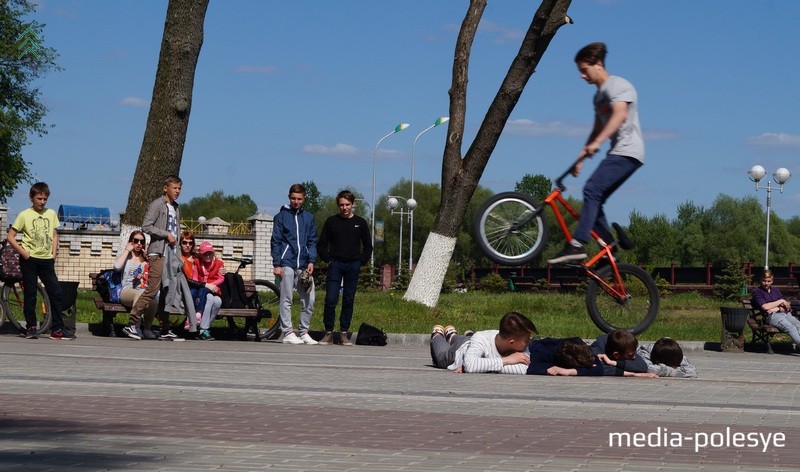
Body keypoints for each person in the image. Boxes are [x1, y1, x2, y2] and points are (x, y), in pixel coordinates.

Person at [549, 42, 645, 264]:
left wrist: (598, 143)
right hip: (618, 151)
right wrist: (581, 158)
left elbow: (619, 115)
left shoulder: (618, 85)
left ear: (598, 64)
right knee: (595, 199)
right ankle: (609, 248)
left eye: (584, 70)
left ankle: (577, 244)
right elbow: (596, 129)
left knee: (591, 190)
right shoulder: (598, 97)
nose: (582, 76)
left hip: (629, 151)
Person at [6, 182, 71, 340]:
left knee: (55, 293)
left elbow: (55, 235)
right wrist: (24, 253)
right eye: (39, 198)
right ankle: (31, 327)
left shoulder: (51, 214)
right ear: (31, 198)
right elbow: (10, 236)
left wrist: (54, 254)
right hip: (30, 259)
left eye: (45, 199)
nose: (42, 202)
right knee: (31, 294)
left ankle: (57, 328)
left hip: (47, 260)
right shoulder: (24, 215)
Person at [123, 175, 182, 341]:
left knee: (166, 291)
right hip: (158, 253)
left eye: (179, 189)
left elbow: (176, 232)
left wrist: (177, 253)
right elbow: (146, 226)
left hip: (171, 254)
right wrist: (165, 235)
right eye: (174, 188)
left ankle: (163, 328)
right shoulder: (157, 204)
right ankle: (133, 324)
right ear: (165, 188)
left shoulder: (176, 207)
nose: (177, 192)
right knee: (152, 289)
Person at [317, 190, 373, 346]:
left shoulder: (360, 222)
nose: (344, 207)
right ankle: (328, 333)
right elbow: (321, 245)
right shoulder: (331, 222)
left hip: (352, 265)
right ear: (338, 205)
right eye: (341, 204)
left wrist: (360, 262)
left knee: (348, 299)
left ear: (353, 204)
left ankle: (343, 334)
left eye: (347, 204)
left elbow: (368, 246)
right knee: (331, 299)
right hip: (335, 265)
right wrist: (329, 261)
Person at [271, 183, 319, 345]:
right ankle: (288, 332)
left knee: (309, 298)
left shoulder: (309, 217)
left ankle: (304, 331)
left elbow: (312, 240)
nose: (296, 201)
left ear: (304, 198)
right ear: (289, 197)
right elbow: (276, 241)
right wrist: (277, 264)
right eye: (293, 198)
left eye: (299, 199)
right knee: (287, 298)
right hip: (286, 263)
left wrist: (312, 260)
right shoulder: (281, 217)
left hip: (304, 265)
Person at [432, 312, 538, 374]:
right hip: (458, 351)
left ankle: (452, 335)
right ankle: (437, 335)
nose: (529, 342)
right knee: (441, 356)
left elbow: (524, 369)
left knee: (468, 339)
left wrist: (480, 366)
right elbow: (471, 365)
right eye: (526, 340)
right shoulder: (482, 338)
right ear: (511, 342)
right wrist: (507, 360)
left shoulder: (521, 347)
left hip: (473, 343)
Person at [113, 230, 158, 340]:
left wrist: (149, 256)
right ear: (130, 242)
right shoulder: (126, 255)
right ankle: (135, 327)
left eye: (141, 241)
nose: (139, 243)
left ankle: (147, 328)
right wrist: (127, 250)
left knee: (153, 300)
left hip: (142, 290)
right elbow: (117, 267)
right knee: (139, 295)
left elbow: (154, 273)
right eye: (136, 240)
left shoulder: (145, 258)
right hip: (126, 291)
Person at [751, 269, 800, 348]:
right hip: (771, 316)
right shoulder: (757, 292)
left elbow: (785, 306)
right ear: (760, 280)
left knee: (798, 324)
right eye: (764, 281)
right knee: (790, 327)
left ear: (772, 281)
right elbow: (765, 307)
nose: (766, 283)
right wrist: (780, 301)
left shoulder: (775, 290)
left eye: (768, 281)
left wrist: (775, 308)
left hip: (784, 314)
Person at [590, 329, 654, 377]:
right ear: (616, 355)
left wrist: (612, 363)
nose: (634, 357)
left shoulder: (627, 348)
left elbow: (642, 366)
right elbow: (600, 368)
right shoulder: (595, 350)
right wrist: (633, 374)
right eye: (630, 355)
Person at [526, 337, 604, 376]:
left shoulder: (578, 344)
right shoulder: (541, 355)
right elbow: (530, 369)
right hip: (530, 347)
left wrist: (570, 371)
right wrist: (557, 370)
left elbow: (599, 369)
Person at [196, 241, 224, 341]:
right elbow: (195, 278)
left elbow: (221, 278)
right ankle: (204, 330)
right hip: (201, 291)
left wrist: (212, 285)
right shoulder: (197, 262)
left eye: (210, 253)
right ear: (201, 254)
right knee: (210, 299)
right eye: (205, 254)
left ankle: (205, 327)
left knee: (218, 301)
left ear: (213, 253)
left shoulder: (219, 263)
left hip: (214, 289)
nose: (208, 256)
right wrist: (206, 285)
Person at [177, 231, 205, 331]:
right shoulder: (178, 258)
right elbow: (184, 279)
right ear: (179, 244)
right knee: (193, 292)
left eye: (190, 243)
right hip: (185, 288)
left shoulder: (197, 257)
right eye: (184, 243)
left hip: (199, 287)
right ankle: (192, 319)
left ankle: (203, 328)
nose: (187, 245)